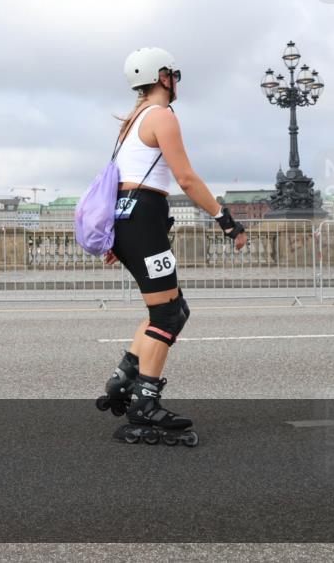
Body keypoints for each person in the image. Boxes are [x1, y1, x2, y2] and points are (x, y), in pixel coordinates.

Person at [96, 47, 247, 446]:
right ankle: (145, 401)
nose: (176, 81)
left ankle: (124, 379)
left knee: (166, 309)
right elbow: (186, 178)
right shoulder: (161, 116)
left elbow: (123, 180)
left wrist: (118, 233)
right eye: (174, 74)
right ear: (163, 76)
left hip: (129, 219)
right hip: (144, 217)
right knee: (168, 314)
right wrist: (224, 220)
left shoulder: (132, 121)